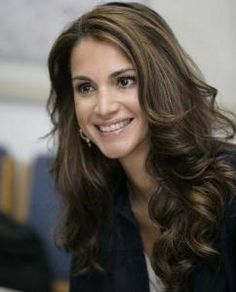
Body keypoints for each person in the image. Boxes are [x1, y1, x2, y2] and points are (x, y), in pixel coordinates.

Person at [47, 2, 236, 291]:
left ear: (161, 85)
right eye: (85, 87)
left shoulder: (228, 191)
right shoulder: (96, 201)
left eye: (124, 81)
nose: (104, 107)